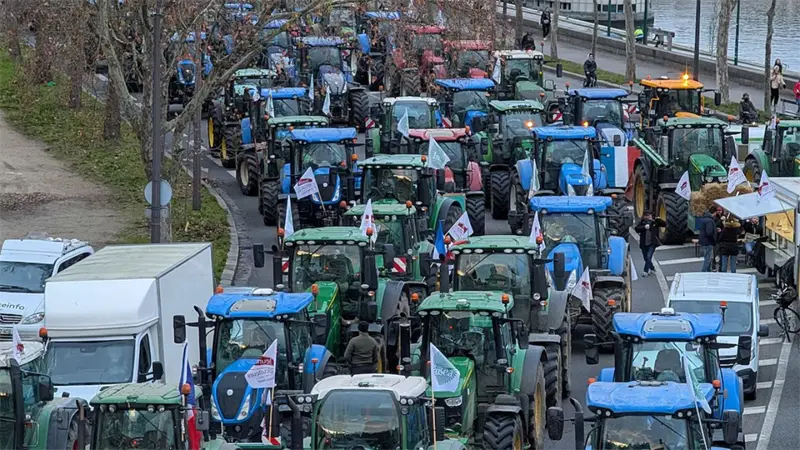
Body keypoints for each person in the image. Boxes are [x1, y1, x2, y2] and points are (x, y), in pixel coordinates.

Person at [634, 210, 666, 277]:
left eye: (649, 216)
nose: (647, 217)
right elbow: (636, 229)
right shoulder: (642, 222)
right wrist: (644, 227)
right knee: (646, 258)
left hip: (652, 243)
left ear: (651, 216)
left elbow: (664, 224)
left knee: (649, 256)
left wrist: (659, 220)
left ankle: (645, 271)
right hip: (643, 243)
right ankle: (652, 268)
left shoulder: (655, 223)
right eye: (646, 216)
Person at [697, 206, 719, 272]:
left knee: (708, 257)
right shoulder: (710, 220)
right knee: (708, 258)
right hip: (708, 242)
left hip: (704, 241)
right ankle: (703, 272)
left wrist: (714, 229)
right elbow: (709, 232)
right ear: (714, 212)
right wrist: (713, 238)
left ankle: (708, 271)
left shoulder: (705, 219)